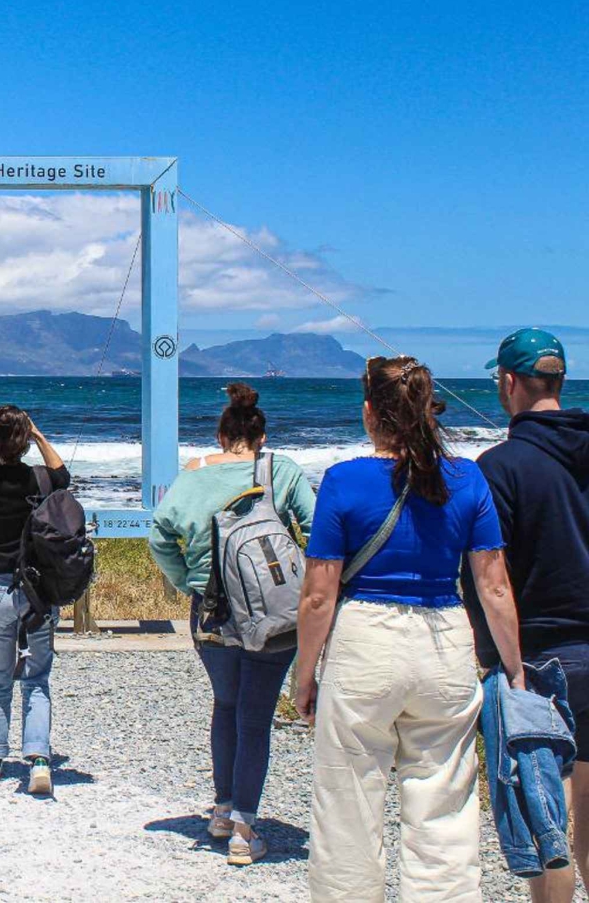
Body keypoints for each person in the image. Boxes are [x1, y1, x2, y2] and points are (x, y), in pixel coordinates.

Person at [294, 356, 527, 903]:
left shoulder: (343, 480)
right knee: (444, 800)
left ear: (369, 412)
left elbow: (319, 594)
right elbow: (493, 587)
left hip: (364, 640)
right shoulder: (466, 477)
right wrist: (514, 669)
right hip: (445, 637)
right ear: (427, 409)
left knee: (348, 800)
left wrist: (304, 675)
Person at [149, 382, 316, 865]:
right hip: (272, 611)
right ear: (261, 438)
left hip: (211, 608)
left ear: (220, 437)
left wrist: (188, 580)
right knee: (255, 716)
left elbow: (160, 535)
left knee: (226, 704)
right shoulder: (280, 469)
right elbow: (317, 527)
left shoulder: (194, 474)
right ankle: (245, 830)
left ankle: (222, 812)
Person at [464, 329, 589, 903]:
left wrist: (498, 661)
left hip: (538, 657)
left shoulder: (499, 466)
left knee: (544, 817)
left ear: (508, 382)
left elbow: (489, 579)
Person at [0, 406, 69, 796]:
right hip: (37, 590)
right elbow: (63, 476)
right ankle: (38, 759)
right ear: (23, 442)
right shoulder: (39, 478)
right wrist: (38, 436)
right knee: (37, 679)